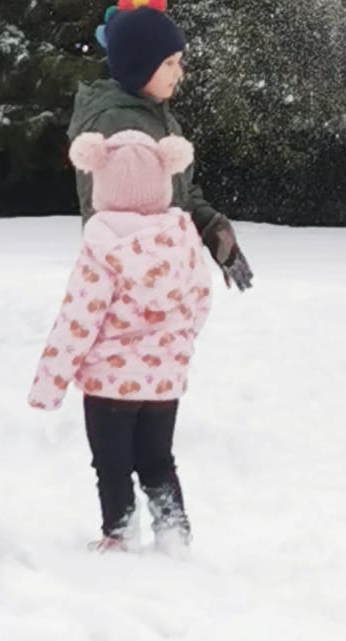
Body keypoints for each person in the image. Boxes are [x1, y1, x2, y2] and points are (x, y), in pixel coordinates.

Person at [30, 129, 213, 551]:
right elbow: (200, 297)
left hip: (109, 384)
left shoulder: (102, 244)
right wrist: (178, 344)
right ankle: (173, 530)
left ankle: (120, 531)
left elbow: (78, 318)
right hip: (164, 381)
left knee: (112, 464)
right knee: (158, 461)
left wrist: (50, 383)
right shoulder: (182, 237)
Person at [70, 0, 252, 292]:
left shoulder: (157, 117)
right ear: (137, 66)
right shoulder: (114, 124)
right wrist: (139, 285)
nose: (179, 73)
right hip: (131, 288)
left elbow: (176, 191)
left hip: (165, 275)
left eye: (179, 62)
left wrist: (211, 228)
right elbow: (104, 215)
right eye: (169, 63)